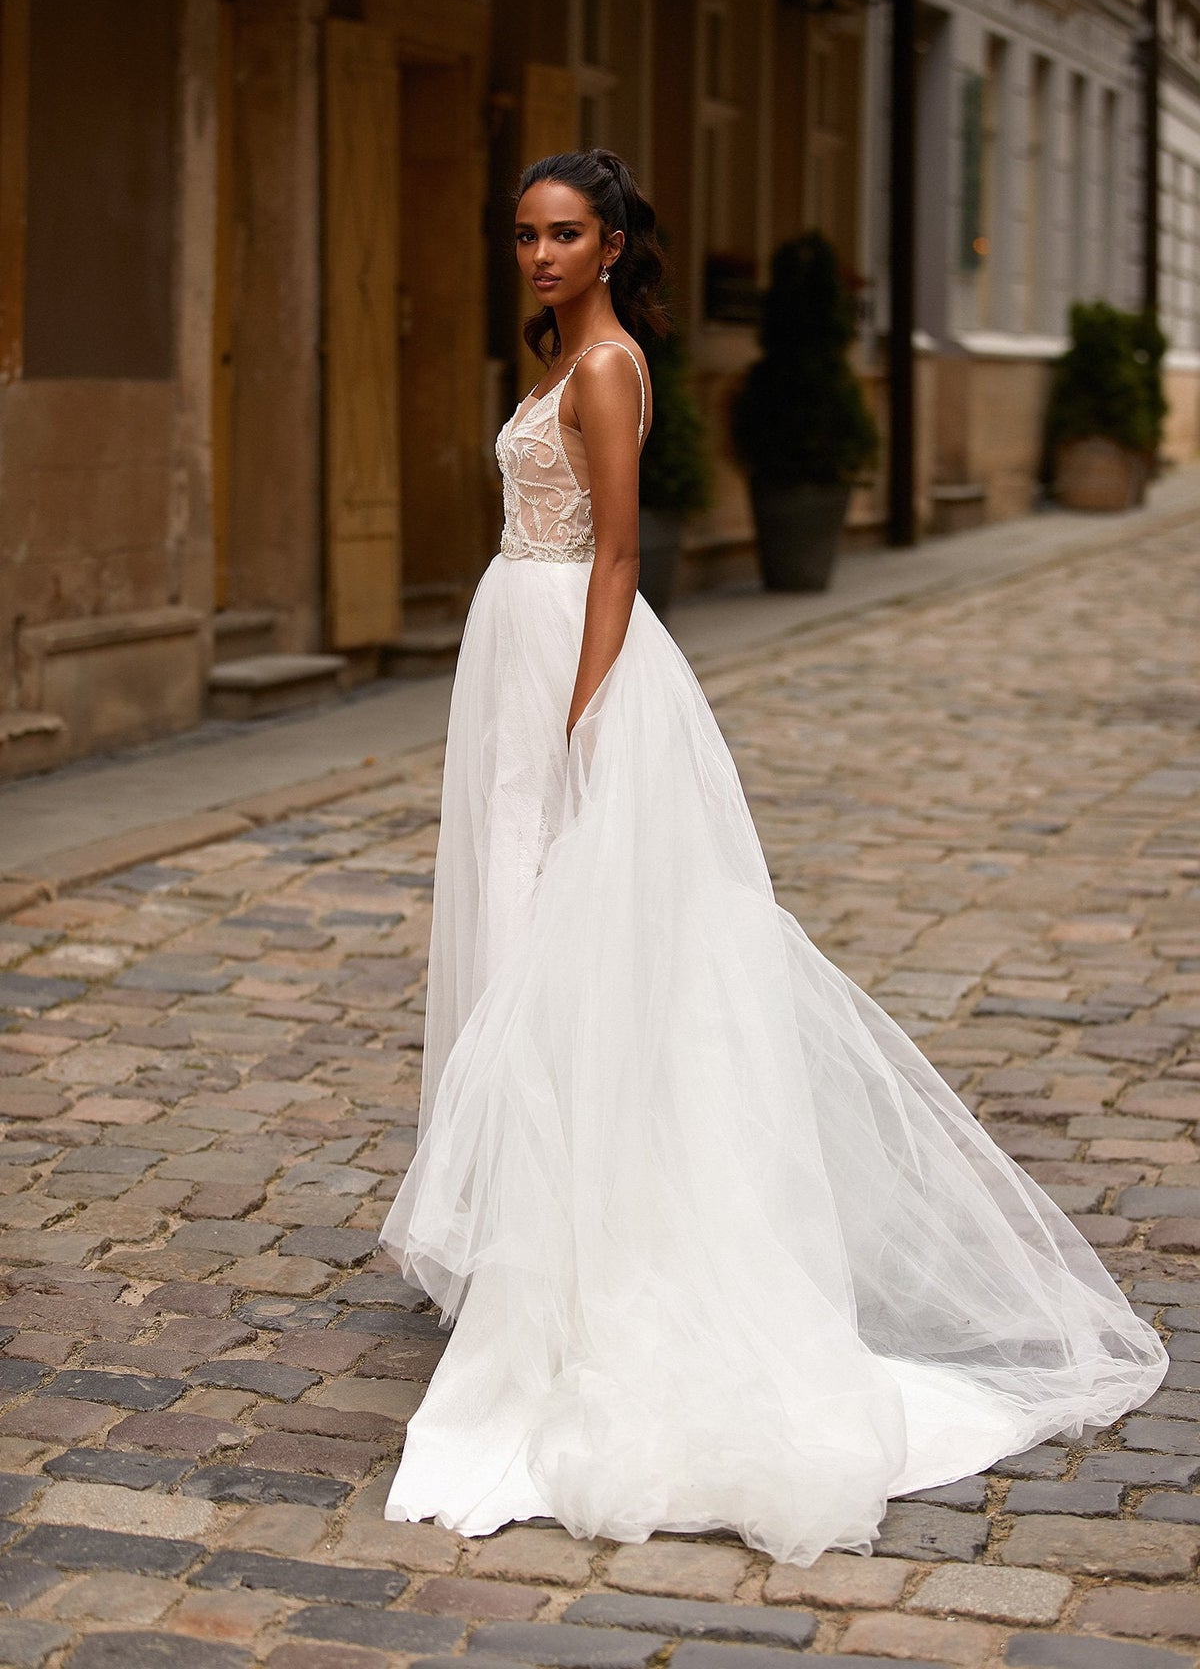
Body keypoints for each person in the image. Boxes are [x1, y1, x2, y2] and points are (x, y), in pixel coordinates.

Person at [379, 146, 1166, 1567]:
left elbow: (619, 556)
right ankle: (535, 1245)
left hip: (570, 663)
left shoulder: (609, 370)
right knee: (520, 948)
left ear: (614, 244)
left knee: (583, 953)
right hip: (512, 662)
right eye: (524, 236)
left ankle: (598, 1266)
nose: (540, 256)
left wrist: (579, 733)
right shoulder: (567, 360)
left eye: (564, 235)